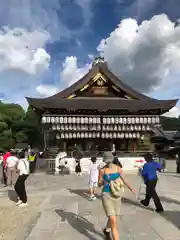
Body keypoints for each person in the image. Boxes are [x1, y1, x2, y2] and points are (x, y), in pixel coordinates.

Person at [98, 152, 135, 240]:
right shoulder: (102, 170)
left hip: (117, 195)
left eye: (109, 161)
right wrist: (104, 182)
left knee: (113, 218)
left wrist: (131, 188)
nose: (108, 163)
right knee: (113, 220)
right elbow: (99, 184)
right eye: (106, 161)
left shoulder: (118, 169)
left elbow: (124, 180)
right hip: (106, 195)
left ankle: (107, 230)